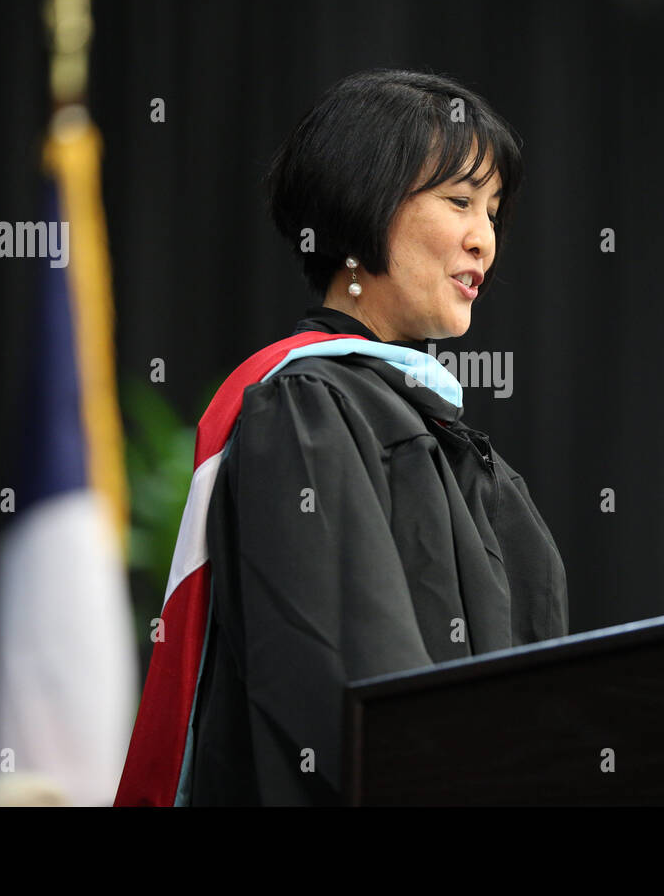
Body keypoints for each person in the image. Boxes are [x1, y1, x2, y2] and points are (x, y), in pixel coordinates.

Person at [115, 69, 568, 806]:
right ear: (363, 204)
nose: (484, 239)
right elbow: (344, 689)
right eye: (459, 201)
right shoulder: (307, 408)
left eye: (492, 211)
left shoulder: (451, 443)